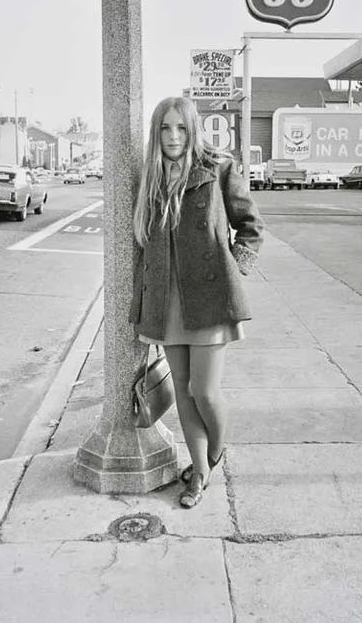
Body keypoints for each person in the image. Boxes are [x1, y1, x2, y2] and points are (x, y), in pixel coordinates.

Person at [130, 96, 263, 509]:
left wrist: (232, 269)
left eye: (181, 128)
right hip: (167, 301)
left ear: (192, 130)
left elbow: (252, 227)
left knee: (204, 392)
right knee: (184, 395)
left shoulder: (219, 168)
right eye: (165, 129)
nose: (173, 137)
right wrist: (140, 305)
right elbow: (144, 247)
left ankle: (213, 454)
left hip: (208, 298)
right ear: (157, 133)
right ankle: (199, 473)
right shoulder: (150, 178)